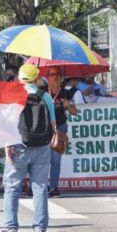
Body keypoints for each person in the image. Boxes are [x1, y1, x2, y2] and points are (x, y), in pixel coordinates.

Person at [0, 64, 56, 232]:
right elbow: (53, 123)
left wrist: (6, 145)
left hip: (18, 146)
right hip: (42, 146)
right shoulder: (45, 96)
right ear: (37, 79)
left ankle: (10, 228)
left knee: (12, 188)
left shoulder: (13, 95)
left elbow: (6, 124)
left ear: (20, 78)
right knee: (40, 189)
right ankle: (40, 229)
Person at [46, 67, 77, 197]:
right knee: (40, 160)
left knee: (55, 160)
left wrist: (69, 105)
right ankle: (36, 186)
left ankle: (53, 187)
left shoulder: (66, 93)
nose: (55, 77)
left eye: (58, 74)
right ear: (48, 77)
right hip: (44, 129)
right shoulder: (42, 92)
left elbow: (74, 113)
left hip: (60, 129)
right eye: (52, 74)